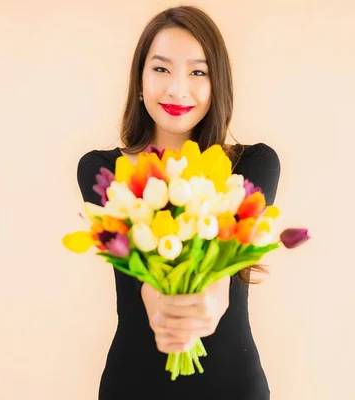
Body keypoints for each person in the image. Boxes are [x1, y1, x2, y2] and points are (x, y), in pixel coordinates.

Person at [76, 5, 280, 400]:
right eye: (161, 69)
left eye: (198, 72)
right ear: (139, 80)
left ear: (217, 84)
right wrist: (163, 308)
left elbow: (224, 262)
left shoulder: (252, 165)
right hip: (132, 386)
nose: (177, 89)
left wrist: (210, 300)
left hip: (233, 387)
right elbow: (143, 274)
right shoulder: (103, 172)